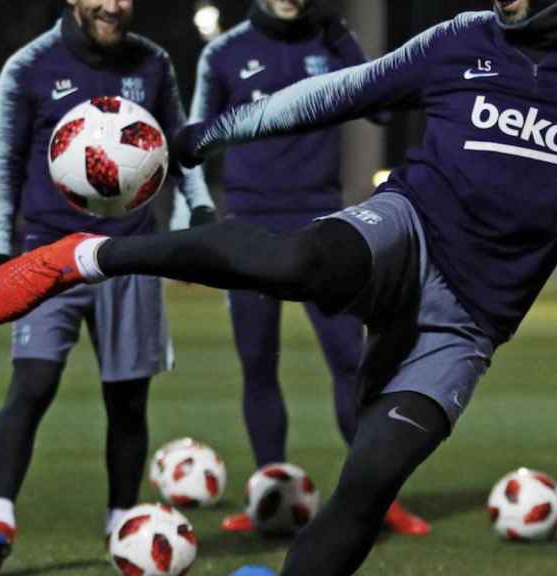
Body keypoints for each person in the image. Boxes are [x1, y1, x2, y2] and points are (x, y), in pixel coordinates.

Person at [0, 0, 557, 574]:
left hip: (468, 324)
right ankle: (89, 257)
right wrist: (213, 132)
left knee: (366, 488)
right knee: (303, 265)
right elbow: (341, 93)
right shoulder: (463, 40)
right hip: (406, 229)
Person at [0, 0, 216, 572]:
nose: (113, 5)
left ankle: (121, 522)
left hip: (127, 253)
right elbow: (4, 161)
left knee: (128, 398)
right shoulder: (28, 66)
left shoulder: (153, 63)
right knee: (31, 384)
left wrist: (200, 208)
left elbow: (178, 146)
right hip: (48, 257)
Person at [177, 0, 427, 535]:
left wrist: (345, 44)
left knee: (349, 362)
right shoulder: (225, 52)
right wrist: (192, 227)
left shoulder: (329, 43)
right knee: (259, 361)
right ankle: (268, 494)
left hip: (323, 225)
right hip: (249, 227)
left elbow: (382, 108)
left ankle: (377, 497)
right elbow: (193, 140)